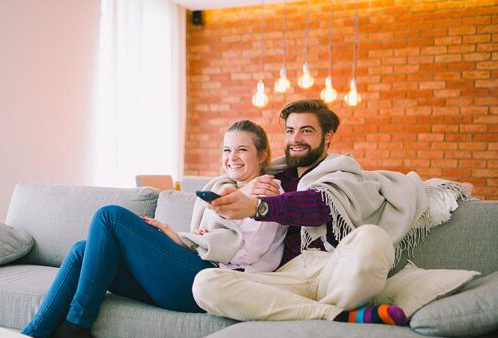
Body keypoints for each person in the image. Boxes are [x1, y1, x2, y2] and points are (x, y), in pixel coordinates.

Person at [0, 120, 287, 338]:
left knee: (109, 216)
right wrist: (178, 237)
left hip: (211, 284)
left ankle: (78, 322)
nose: (232, 157)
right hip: (192, 267)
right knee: (82, 250)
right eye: (227, 150)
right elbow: (213, 239)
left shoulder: (270, 193)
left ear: (262, 155)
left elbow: (246, 253)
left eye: (242, 149)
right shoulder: (224, 187)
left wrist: (201, 235)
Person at [191, 99, 468, 326]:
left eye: (306, 131)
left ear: (328, 136)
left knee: (372, 238)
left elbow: (320, 205)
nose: (295, 139)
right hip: (283, 276)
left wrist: (259, 207)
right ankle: (334, 315)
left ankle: (323, 307)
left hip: (333, 267)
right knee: (206, 284)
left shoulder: (343, 173)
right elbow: (237, 176)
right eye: (290, 131)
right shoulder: (273, 178)